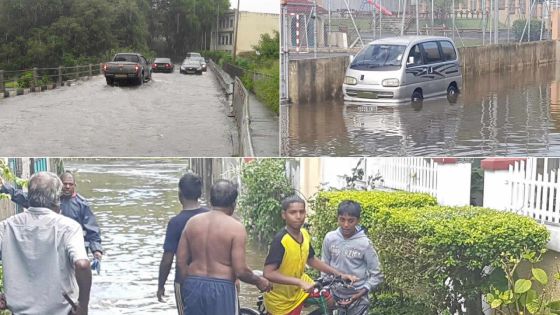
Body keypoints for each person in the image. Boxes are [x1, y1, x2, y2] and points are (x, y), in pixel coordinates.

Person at [0, 172, 91, 315]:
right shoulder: (69, 227)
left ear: (29, 195)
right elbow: (82, 265)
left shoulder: (6, 226)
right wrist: (83, 306)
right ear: (57, 198)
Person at [176, 180, 271, 315]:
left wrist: (191, 284)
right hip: (222, 287)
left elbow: (180, 262)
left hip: (193, 283)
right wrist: (259, 281)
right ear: (233, 204)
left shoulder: (192, 223)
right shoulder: (236, 228)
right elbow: (240, 271)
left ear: (211, 200)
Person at [263, 196, 358, 315]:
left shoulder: (304, 234)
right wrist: (299, 282)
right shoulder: (281, 240)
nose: (298, 216)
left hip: (302, 286)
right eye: (293, 212)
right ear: (284, 215)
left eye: (301, 212)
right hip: (282, 297)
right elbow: (268, 273)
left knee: (329, 301)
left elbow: (311, 259)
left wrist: (340, 275)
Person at [0, 171, 103, 260]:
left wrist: (96, 250)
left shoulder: (82, 205)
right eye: (65, 184)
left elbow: (92, 229)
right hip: (50, 248)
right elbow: (21, 196)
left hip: (72, 249)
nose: (67, 187)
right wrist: (5, 187)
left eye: (70, 184)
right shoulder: (48, 200)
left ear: (74, 185)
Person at [157, 173, 208, 314]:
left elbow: (167, 259)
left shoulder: (175, 223)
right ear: (199, 193)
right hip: (211, 278)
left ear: (180, 194)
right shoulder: (211, 216)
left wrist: (161, 286)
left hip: (185, 281)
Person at [321, 200, 384, 315]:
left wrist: (360, 293)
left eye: (351, 221)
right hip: (333, 297)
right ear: (337, 218)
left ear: (358, 221)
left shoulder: (365, 244)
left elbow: (377, 275)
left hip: (358, 300)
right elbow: (324, 266)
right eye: (342, 219)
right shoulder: (330, 238)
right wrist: (326, 291)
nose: (346, 224)